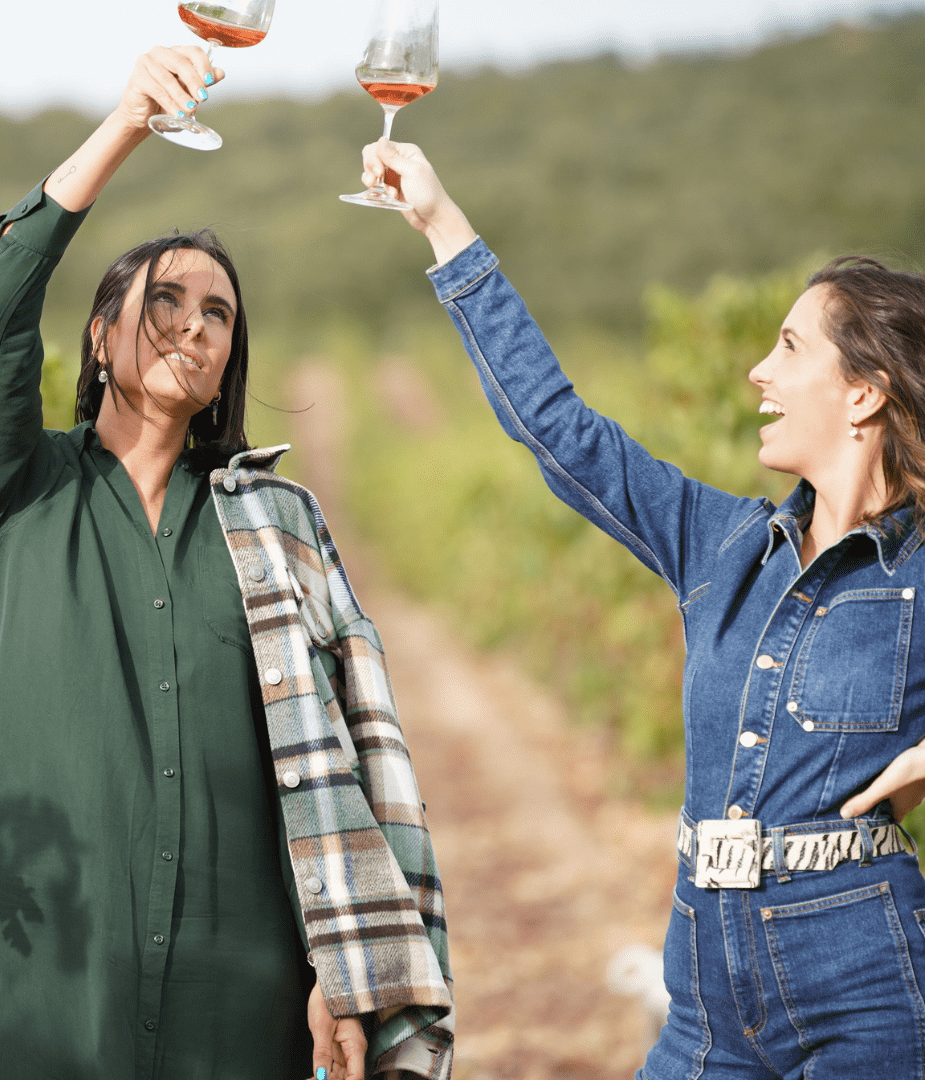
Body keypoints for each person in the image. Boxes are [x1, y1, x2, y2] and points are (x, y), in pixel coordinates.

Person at [363, 139, 925, 1078]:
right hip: (704, 995)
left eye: (788, 348)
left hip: (866, 986)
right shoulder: (721, 543)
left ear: (863, 393)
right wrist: (439, 222)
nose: (756, 371)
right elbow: (556, 425)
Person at [0, 47, 454, 1080]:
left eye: (218, 312)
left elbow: (331, 775)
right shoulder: (20, 489)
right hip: (42, 986)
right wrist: (129, 120)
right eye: (166, 300)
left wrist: (336, 971)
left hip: (242, 999)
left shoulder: (275, 526)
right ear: (99, 339)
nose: (194, 322)